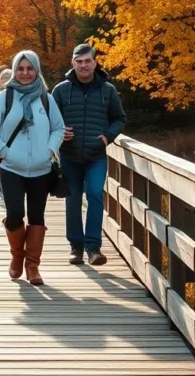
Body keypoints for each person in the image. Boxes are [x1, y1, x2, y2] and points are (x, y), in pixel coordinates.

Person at [0, 51, 65, 285]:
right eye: (21, 68)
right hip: (11, 168)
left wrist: (49, 151)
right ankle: (17, 256)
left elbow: (58, 128)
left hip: (41, 169)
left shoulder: (46, 99)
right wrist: (5, 153)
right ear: (15, 70)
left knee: (37, 216)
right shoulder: (5, 97)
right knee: (14, 214)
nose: (25, 73)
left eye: (30, 69)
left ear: (37, 70)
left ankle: (32, 266)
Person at [52, 43, 127, 267]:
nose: (83, 65)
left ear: (95, 62)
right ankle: (76, 246)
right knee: (73, 199)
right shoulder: (61, 90)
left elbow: (119, 118)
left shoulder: (108, 90)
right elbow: (49, 119)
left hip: (96, 155)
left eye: (88, 61)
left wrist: (107, 137)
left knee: (94, 194)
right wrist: (59, 131)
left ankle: (93, 247)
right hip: (69, 155)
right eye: (79, 61)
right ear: (72, 63)